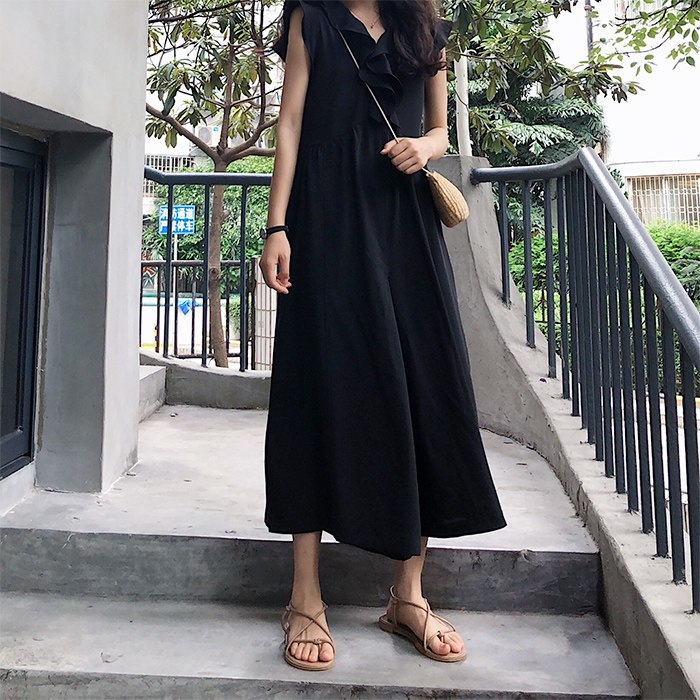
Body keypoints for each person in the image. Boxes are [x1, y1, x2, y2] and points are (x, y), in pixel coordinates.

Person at [259, 0, 507, 672]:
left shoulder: (426, 27)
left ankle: (407, 596)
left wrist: (425, 147)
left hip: (404, 225)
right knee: (316, 385)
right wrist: (277, 227)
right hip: (327, 218)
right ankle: (304, 597)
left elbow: (439, 129)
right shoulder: (311, 19)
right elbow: (290, 122)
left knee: (424, 385)